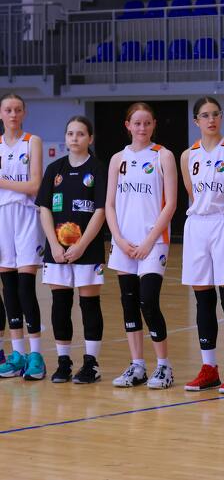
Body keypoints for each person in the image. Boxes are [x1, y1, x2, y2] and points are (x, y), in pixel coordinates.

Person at [106, 102, 177, 389]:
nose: (142, 128)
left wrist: (149, 241)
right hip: (124, 242)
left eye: (147, 123)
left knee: (148, 301)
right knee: (129, 303)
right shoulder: (117, 159)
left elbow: (171, 204)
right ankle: (137, 365)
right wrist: (119, 239)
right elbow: (110, 205)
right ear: (128, 125)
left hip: (153, 242)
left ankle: (164, 366)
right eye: (137, 123)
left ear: (154, 124)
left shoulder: (164, 156)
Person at [180, 97, 224, 393]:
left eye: (215, 114)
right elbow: (192, 193)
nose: (211, 120)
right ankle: (209, 367)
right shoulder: (188, 155)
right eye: (205, 116)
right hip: (198, 225)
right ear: (196, 121)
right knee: (203, 299)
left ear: (221, 117)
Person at [37, 116, 106, 384]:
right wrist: (54, 244)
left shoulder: (97, 169)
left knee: (89, 305)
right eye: (70, 134)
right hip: (57, 251)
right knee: (60, 304)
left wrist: (82, 245)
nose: (74, 138)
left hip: (87, 249)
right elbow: (44, 208)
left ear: (90, 138)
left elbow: (101, 210)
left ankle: (91, 364)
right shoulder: (55, 169)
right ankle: (63, 362)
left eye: (80, 134)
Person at [0, 93, 46, 381]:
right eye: (8, 109)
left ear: (24, 113)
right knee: (9, 288)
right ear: (1, 114)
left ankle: (36, 355)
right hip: (2, 217)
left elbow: (35, 185)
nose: (13, 114)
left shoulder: (33, 142)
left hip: (27, 216)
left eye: (18, 109)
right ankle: (17, 355)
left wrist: (2, 182)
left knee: (26, 287)